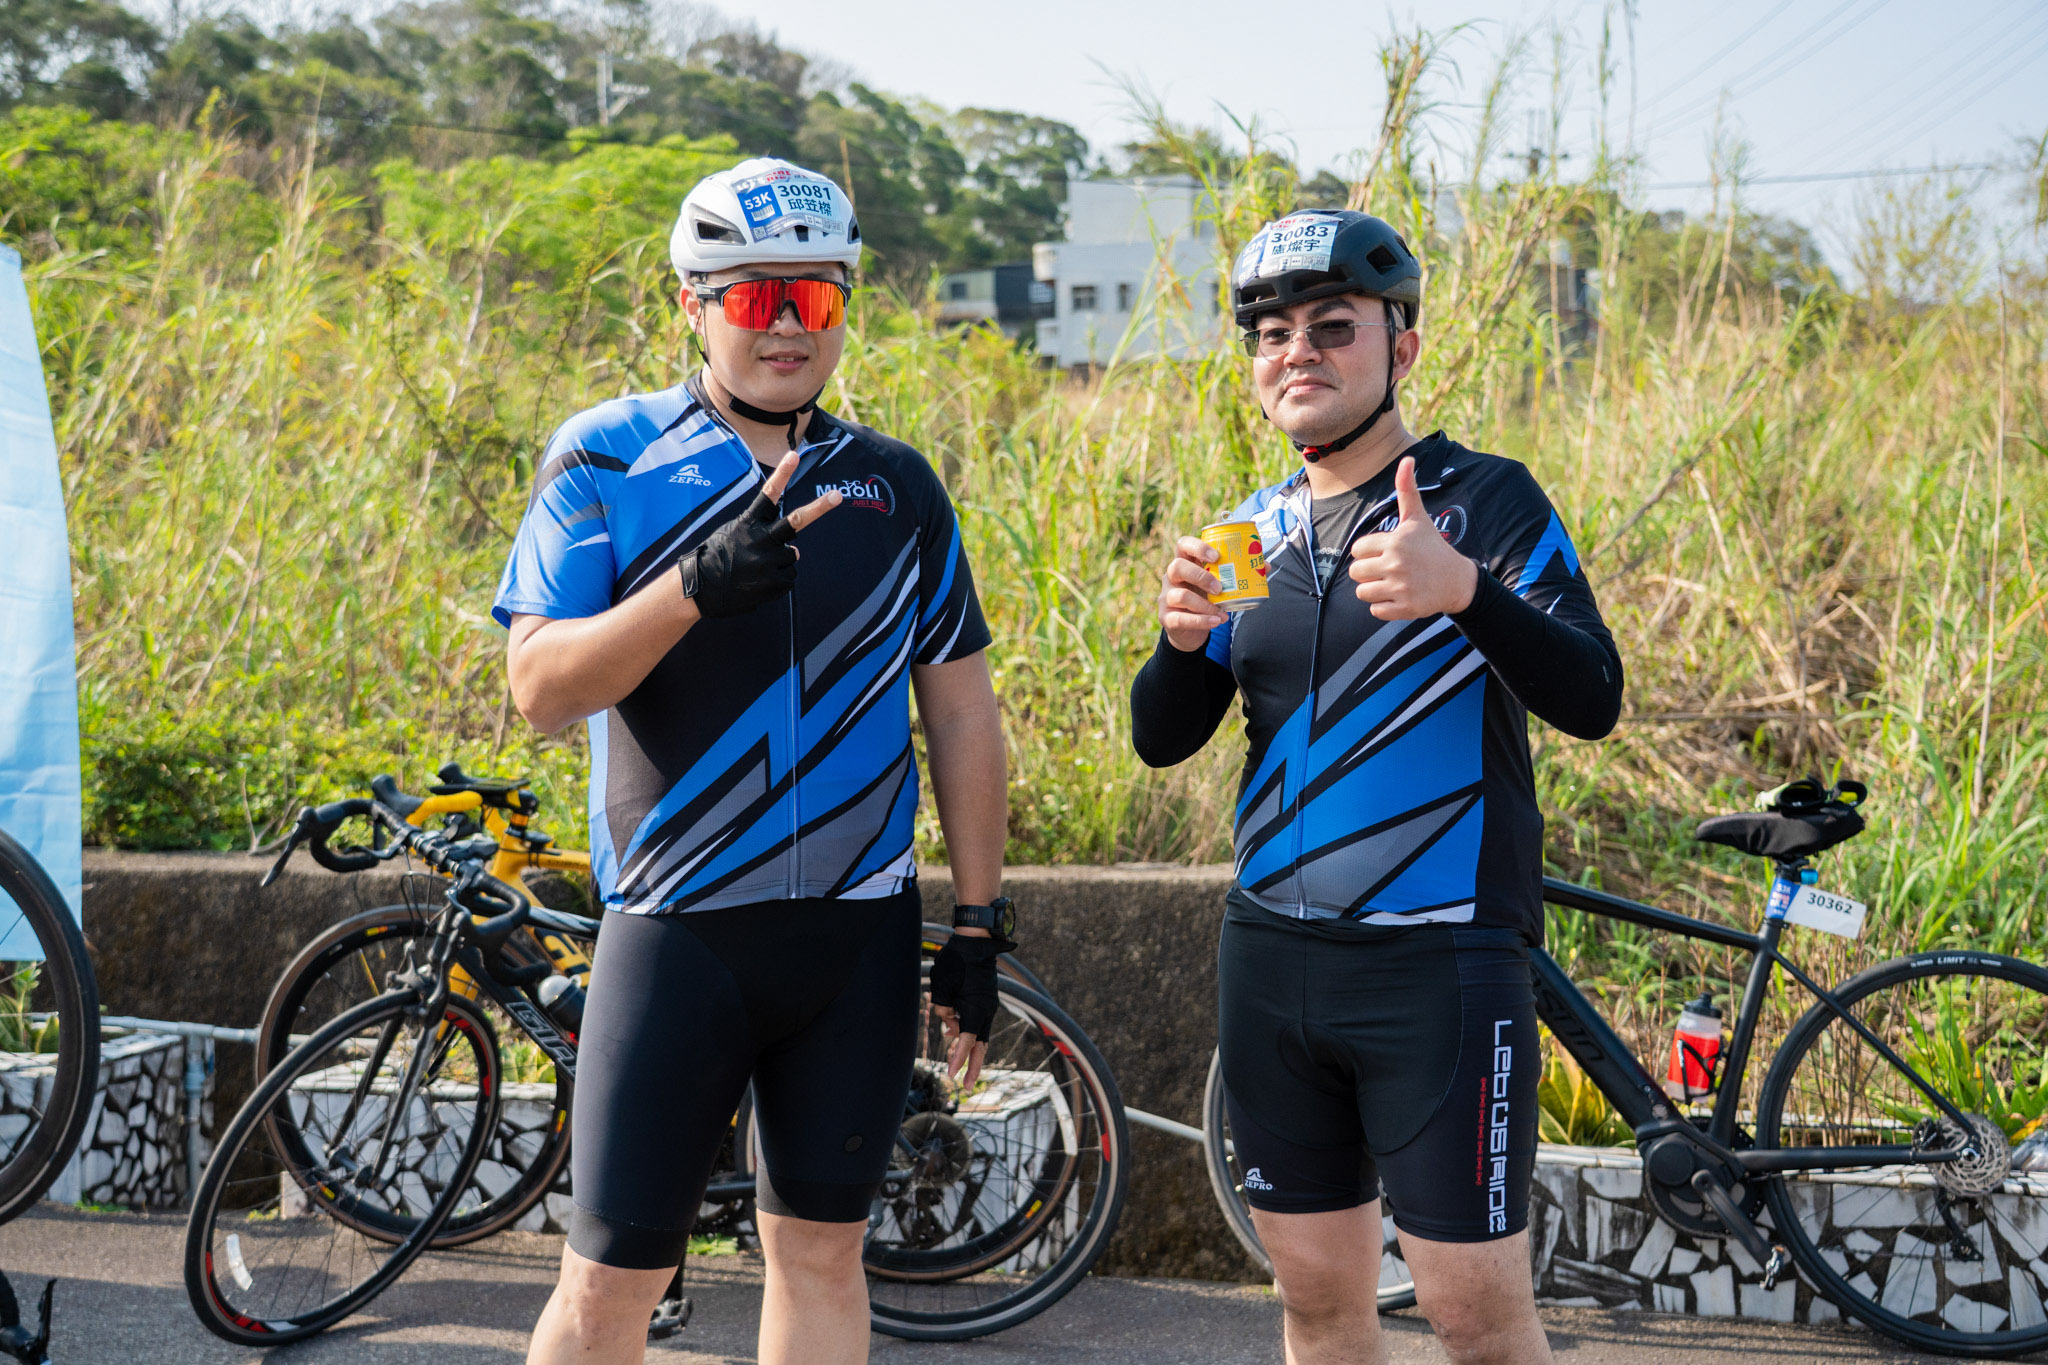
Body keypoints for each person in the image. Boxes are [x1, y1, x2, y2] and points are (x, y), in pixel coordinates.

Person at [495, 157, 1013, 1365]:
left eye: (814, 297)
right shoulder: (607, 456)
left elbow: (960, 712)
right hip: (679, 934)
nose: (787, 325)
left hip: (856, 940)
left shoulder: (894, 485)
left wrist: (978, 922)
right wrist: (689, 587)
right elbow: (540, 688)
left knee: (824, 1259)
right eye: (753, 296)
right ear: (691, 303)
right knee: (609, 1281)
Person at [1130, 209, 1623, 1365]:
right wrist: (1177, 641)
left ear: (1399, 346)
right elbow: (1162, 739)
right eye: (1271, 334)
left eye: (1331, 326)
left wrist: (1465, 592)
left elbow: (1592, 696)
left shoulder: (1483, 501)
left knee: (1475, 1319)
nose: (1296, 351)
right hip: (1270, 963)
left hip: (1437, 967)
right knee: (1312, 1301)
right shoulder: (1245, 532)